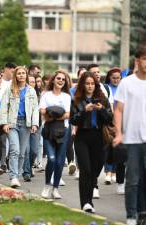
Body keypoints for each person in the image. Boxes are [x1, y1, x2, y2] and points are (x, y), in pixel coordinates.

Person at [70, 71, 113, 213]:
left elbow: (109, 119)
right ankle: (86, 202)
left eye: (92, 84)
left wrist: (101, 110)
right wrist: (84, 110)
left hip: (99, 137)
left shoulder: (103, 99)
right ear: (82, 84)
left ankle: (88, 200)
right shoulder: (76, 100)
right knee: (86, 170)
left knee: (95, 171)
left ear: (96, 85)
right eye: (87, 83)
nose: (90, 86)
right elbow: (73, 120)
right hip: (82, 136)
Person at [113, 44, 146, 225]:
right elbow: (118, 109)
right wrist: (119, 133)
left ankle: (142, 212)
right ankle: (131, 215)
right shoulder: (127, 83)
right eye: (145, 59)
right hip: (132, 139)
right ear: (137, 61)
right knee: (133, 179)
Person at [0, 66, 39, 188]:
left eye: (23, 73)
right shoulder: (9, 90)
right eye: (19, 73)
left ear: (26, 75)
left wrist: (35, 123)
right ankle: (13, 177)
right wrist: (4, 123)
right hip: (12, 123)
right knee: (14, 150)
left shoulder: (31, 90)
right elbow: (3, 107)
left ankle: (18, 173)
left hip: (26, 124)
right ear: (15, 75)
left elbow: (35, 109)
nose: (21, 75)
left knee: (22, 153)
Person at [40, 70, 71, 199]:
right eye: (58, 78)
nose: (60, 81)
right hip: (48, 130)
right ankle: (47, 185)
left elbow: (68, 114)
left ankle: (55, 188)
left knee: (59, 162)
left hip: (63, 131)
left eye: (63, 79)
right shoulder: (46, 95)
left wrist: (51, 113)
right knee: (51, 159)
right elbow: (42, 112)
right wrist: (57, 114)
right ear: (53, 80)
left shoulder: (66, 97)